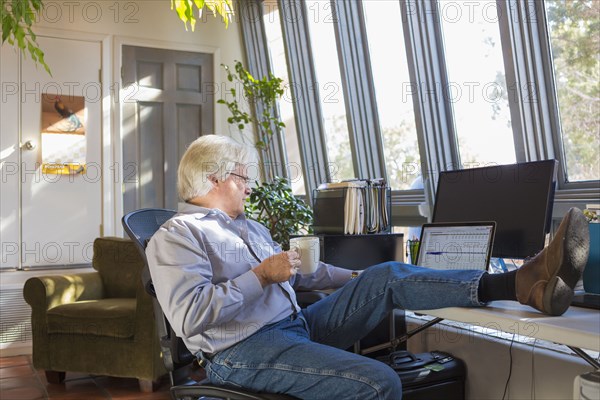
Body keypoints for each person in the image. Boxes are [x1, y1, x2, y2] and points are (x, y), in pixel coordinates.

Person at [146, 135, 590, 400]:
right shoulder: (178, 235)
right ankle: (525, 283)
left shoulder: (251, 226)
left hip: (294, 326)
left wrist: (363, 281)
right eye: (241, 177)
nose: (247, 186)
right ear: (213, 180)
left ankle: (521, 283)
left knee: (389, 276)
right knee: (378, 383)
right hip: (239, 353)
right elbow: (190, 315)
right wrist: (260, 275)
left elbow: (304, 274)